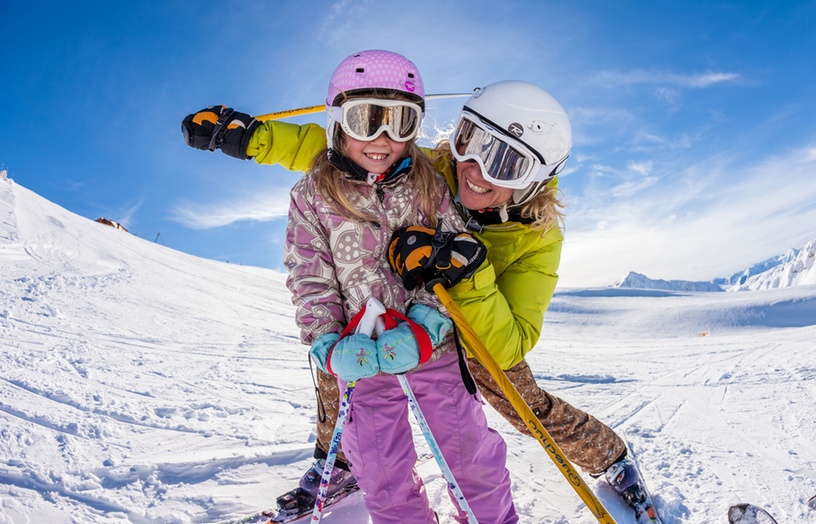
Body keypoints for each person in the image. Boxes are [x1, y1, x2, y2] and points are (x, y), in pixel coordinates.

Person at [182, 67, 653, 520]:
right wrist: (252, 137)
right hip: (394, 310)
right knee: (339, 366)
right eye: (472, 142)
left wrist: (467, 275)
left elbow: (512, 342)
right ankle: (342, 464)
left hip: (477, 328)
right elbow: (342, 149)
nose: (477, 170)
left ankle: (609, 456)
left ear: (536, 178)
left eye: (506, 162)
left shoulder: (538, 236)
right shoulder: (430, 167)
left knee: (517, 397)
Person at [184, 49, 517, 524]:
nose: (382, 139)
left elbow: (449, 256)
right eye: (365, 119)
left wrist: (425, 323)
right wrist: (325, 339)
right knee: (382, 473)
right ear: (338, 123)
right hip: (358, 354)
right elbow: (309, 274)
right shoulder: (312, 194)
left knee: (471, 460)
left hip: (434, 350)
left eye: (400, 123)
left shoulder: (429, 184)